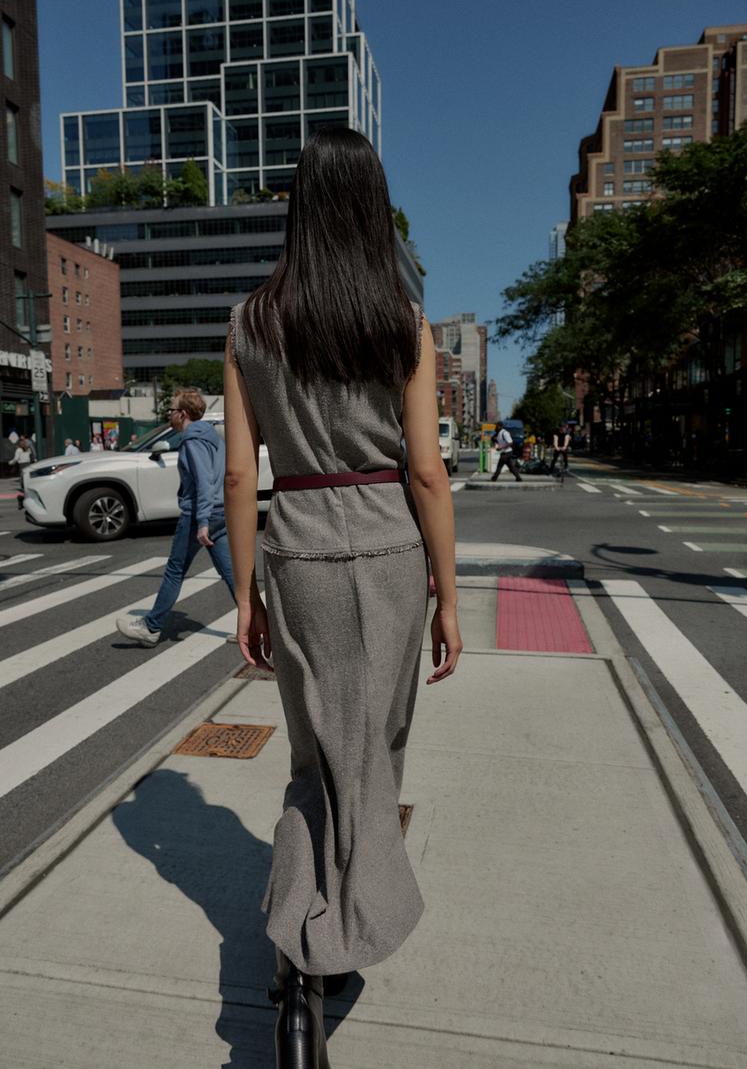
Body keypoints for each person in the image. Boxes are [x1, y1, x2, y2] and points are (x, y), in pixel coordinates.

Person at [223, 127, 462, 1068]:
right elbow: (430, 472)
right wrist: (448, 593)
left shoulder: (250, 323)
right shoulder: (402, 321)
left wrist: (244, 591)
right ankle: (334, 938)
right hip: (391, 546)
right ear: (371, 207)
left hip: (301, 547)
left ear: (297, 206)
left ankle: (298, 969)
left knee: (315, 756)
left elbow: (242, 474)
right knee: (376, 754)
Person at [116, 389, 235, 646]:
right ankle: (257, 629)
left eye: (171, 410)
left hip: (198, 514)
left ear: (182, 414)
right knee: (230, 573)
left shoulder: (192, 440)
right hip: (219, 511)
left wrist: (202, 521)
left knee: (175, 569)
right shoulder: (212, 436)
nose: (168, 414)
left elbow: (204, 480)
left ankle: (151, 626)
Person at [10, 438, 33, 509]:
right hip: (28, 466)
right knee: (28, 483)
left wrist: (10, 463)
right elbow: (31, 456)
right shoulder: (28, 449)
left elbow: (16, 459)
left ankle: (21, 500)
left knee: (23, 483)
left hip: (22, 467)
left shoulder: (18, 450)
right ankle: (28, 500)